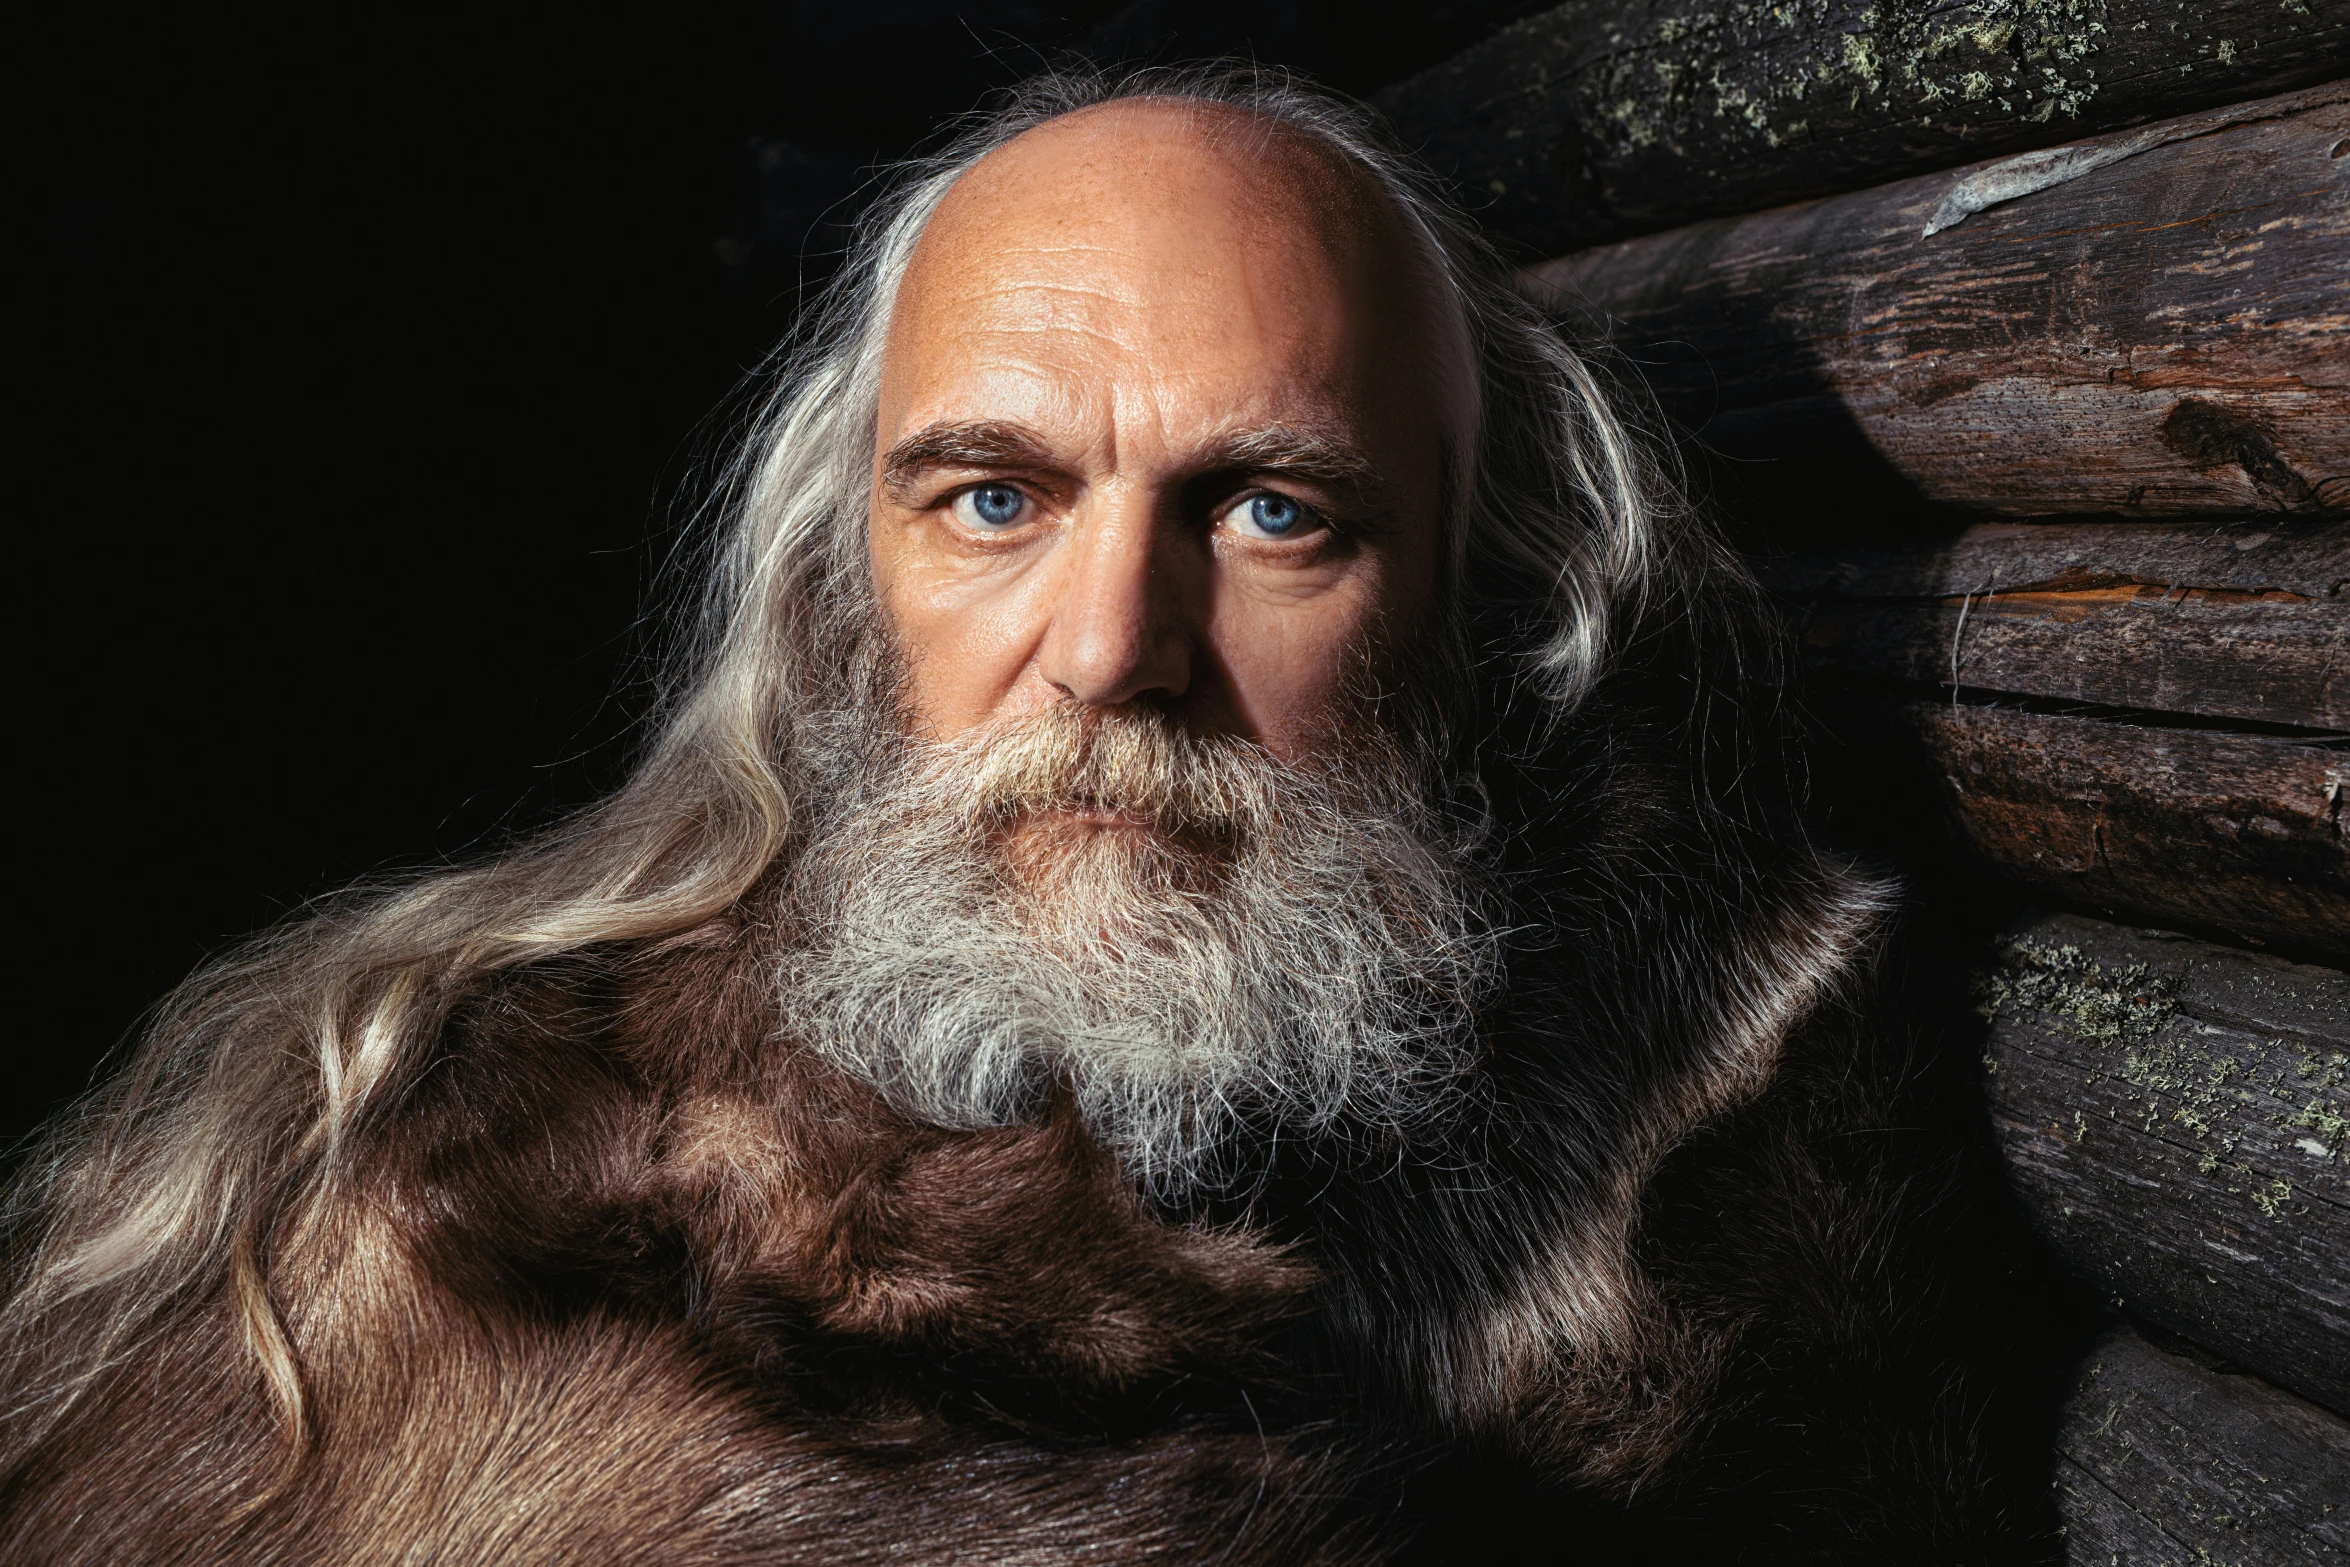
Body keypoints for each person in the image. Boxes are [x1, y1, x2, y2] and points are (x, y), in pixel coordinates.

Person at [1, 67, 2050, 1563]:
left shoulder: (1738, 1230)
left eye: (1270, 512)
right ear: (842, 588)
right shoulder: (369, 1153)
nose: (1105, 651)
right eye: (992, 498)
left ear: (1472, 607)